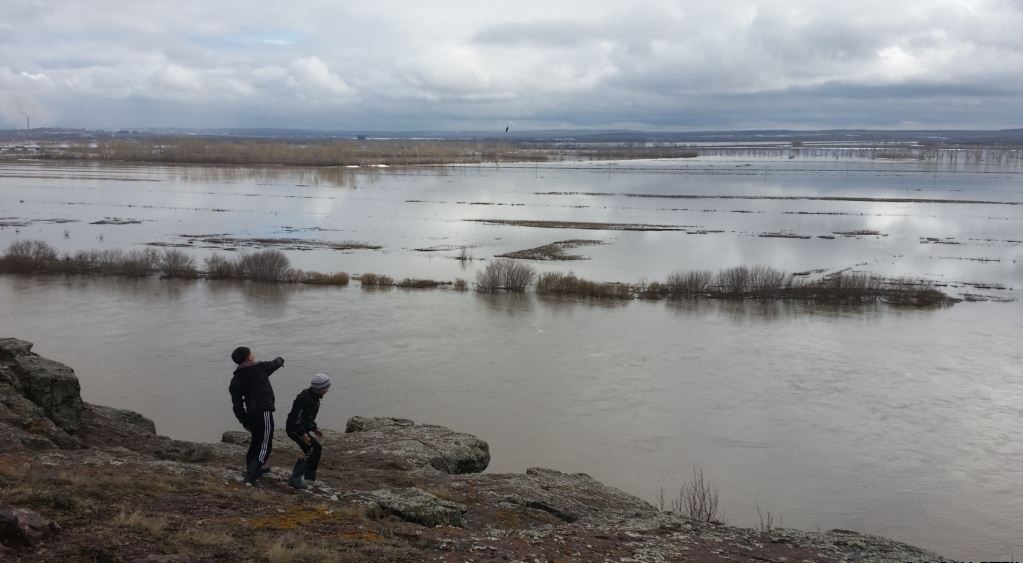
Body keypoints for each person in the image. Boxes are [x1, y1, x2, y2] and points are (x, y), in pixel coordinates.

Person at [228, 346, 285, 486]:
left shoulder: (236, 379)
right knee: (265, 445)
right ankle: (251, 475)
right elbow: (275, 364)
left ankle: (251, 469)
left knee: (255, 442)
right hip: (263, 411)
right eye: (252, 354)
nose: (253, 356)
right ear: (249, 357)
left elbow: (237, 405)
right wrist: (281, 360)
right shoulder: (259, 368)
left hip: (251, 414)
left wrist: (244, 421)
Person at [285, 373, 331, 489]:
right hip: (294, 429)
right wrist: (302, 433)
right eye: (327, 387)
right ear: (321, 388)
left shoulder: (315, 397)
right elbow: (297, 417)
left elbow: (308, 417)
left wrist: (314, 428)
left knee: (316, 449)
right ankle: (295, 478)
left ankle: (309, 479)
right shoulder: (304, 398)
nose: (328, 389)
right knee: (312, 449)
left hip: (301, 428)